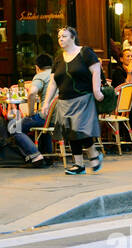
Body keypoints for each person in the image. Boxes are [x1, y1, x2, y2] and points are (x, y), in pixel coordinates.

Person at [40, 26, 104, 175]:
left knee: (80, 129)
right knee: (70, 132)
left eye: (64, 36)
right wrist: (46, 103)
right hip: (64, 101)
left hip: (83, 98)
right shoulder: (58, 59)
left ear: (73, 37)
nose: (61, 39)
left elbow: (96, 70)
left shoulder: (85, 52)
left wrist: (96, 90)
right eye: (59, 37)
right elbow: (53, 83)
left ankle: (93, 153)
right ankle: (79, 165)